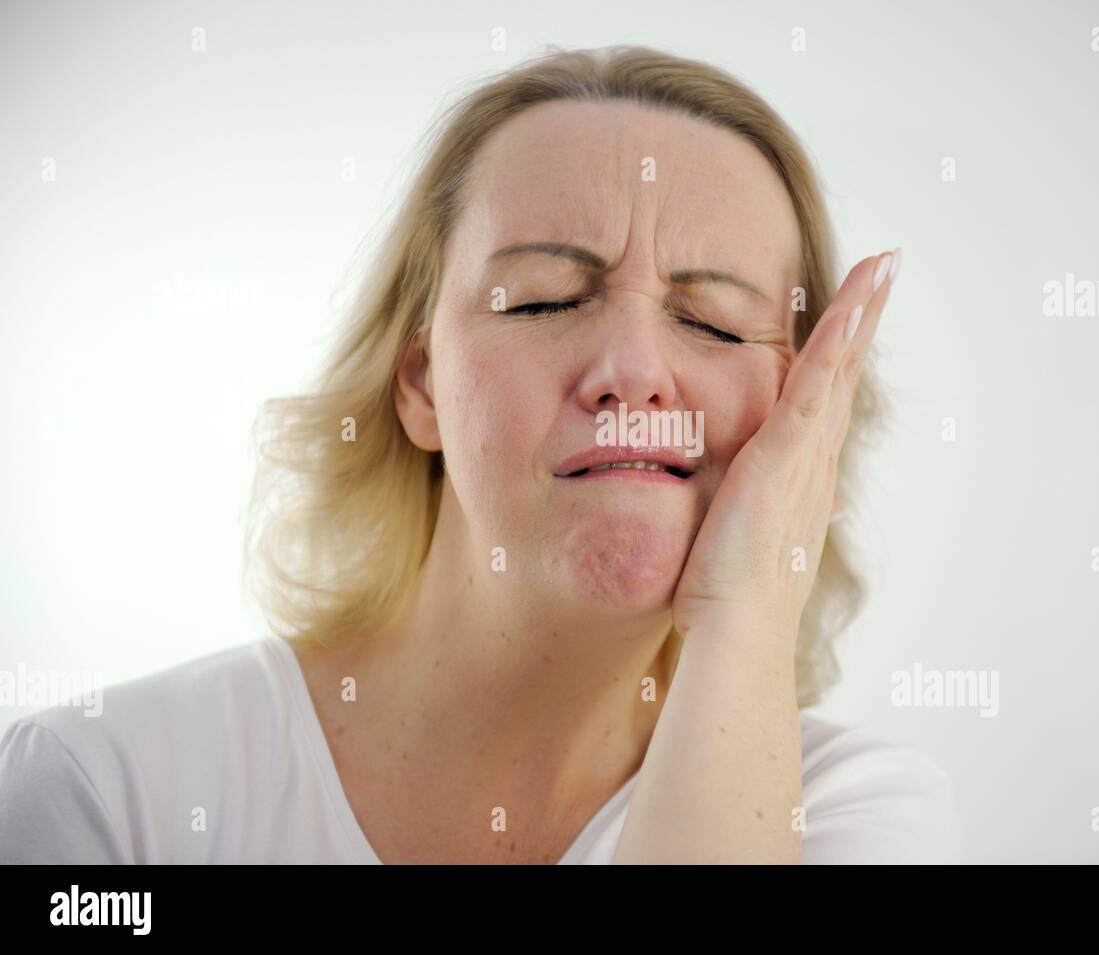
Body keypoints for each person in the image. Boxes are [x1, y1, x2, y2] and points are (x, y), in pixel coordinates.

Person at [0, 45, 958, 864]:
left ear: (808, 415)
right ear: (420, 383)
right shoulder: (110, 786)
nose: (633, 373)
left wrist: (746, 618)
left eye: (712, 320)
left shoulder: (851, 814)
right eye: (543, 300)